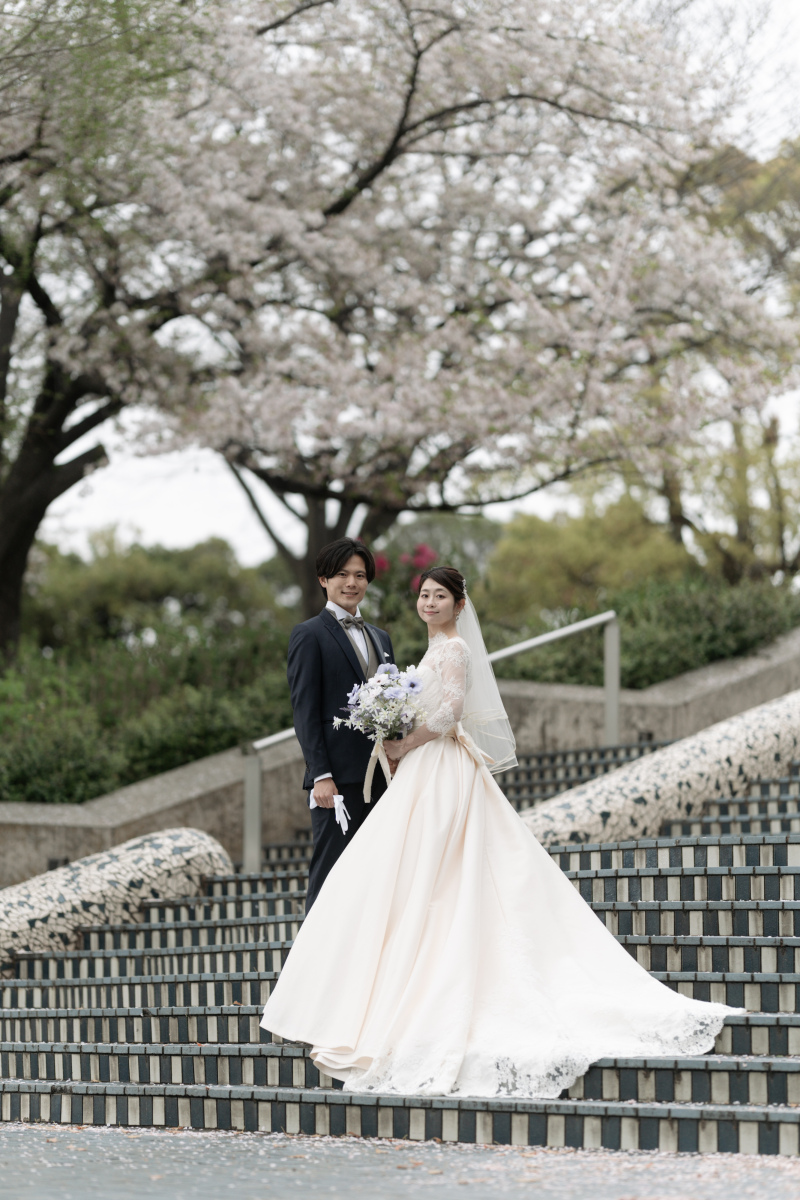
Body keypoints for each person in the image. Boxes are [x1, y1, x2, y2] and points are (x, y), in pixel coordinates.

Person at [263, 566, 738, 1098]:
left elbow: (448, 714)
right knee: (393, 873)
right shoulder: (394, 647)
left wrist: (402, 743)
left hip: (437, 765)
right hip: (416, 771)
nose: (429, 603)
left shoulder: (452, 650)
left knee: (441, 872)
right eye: (424, 595)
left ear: (459, 605)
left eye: (440, 596)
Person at [288, 537, 395, 911]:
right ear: (323, 579)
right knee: (330, 873)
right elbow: (305, 710)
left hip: (381, 777)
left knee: (377, 874)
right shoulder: (309, 634)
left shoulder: (381, 638)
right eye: (342, 575)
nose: (352, 583)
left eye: (360, 575)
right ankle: (312, 963)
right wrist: (321, 776)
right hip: (336, 780)